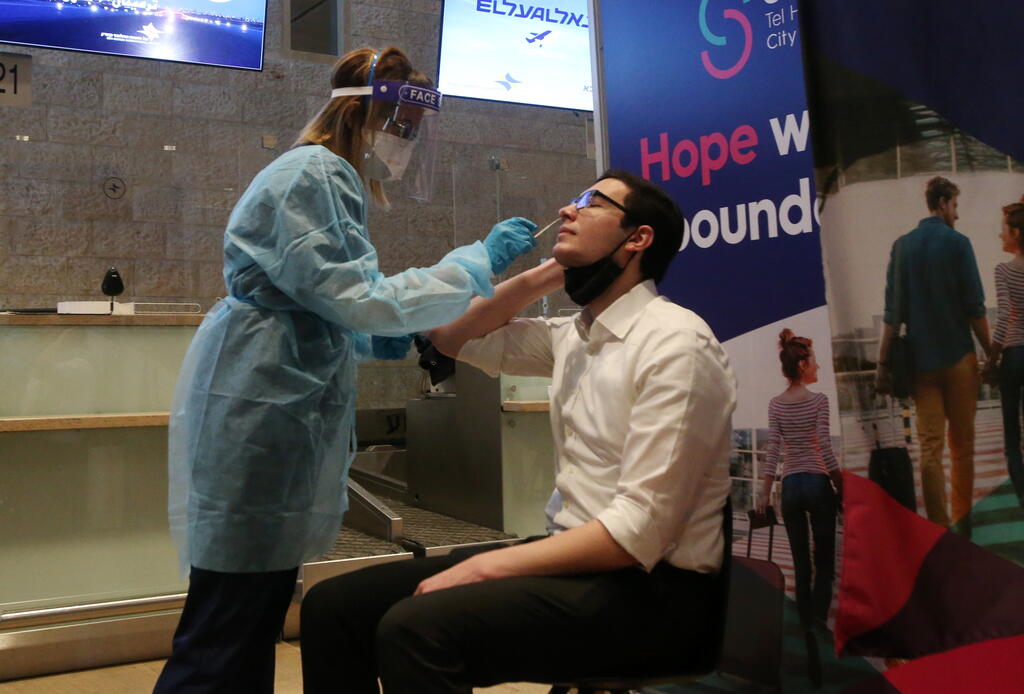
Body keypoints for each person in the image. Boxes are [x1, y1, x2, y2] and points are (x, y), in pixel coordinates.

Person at [152, 46, 537, 694]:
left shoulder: (327, 176)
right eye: (402, 125)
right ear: (363, 114)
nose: (406, 142)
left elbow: (313, 301)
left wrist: (364, 341)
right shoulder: (316, 173)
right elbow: (358, 296)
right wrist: (475, 262)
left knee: (247, 617)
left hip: (271, 398)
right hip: (261, 412)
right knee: (228, 625)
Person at [299, 169, 738, 693]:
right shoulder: (576, 335)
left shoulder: (677, 343)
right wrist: (550, 272)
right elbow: (452, 337)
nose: (569, 210)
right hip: (578, 563)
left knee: (416, 629)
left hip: (654, 595)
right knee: (332, 607)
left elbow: (637, 530)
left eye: (593, 203)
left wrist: (486, 567)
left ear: (638, 238)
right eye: (574, 200)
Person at [875, 176, 990, 535]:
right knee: (962, 447)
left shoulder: (902, 247)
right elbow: (975, 307)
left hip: (921, 367)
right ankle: (963, 525)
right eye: (954, 206)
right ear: (942, 203)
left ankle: (939, 529)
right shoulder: (959, 244)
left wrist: (882, 365)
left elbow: (892, 316)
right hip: (959, 361)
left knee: (930, 449)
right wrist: (992, 352)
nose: (956, 214)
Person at [757, 329, 842, 684]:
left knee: (801, 563)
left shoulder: (776, 404)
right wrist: (839, 481)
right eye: (815, 361)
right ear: (803, 365)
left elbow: (773, 451)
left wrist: (764, 493)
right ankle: (819, 621)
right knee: (824, 561)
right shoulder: (819, 400)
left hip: (790, 486)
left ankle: (804, 624)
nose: (818, 366)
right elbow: (824, 446)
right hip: (818, 484)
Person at [984, 197, 1024, 508]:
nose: (1000, 235)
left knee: (1012, 435)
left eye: (1003, 229)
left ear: (1016, 233)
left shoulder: (1003, 270)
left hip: (1014, 356)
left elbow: (1002, 322)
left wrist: (991, 360)